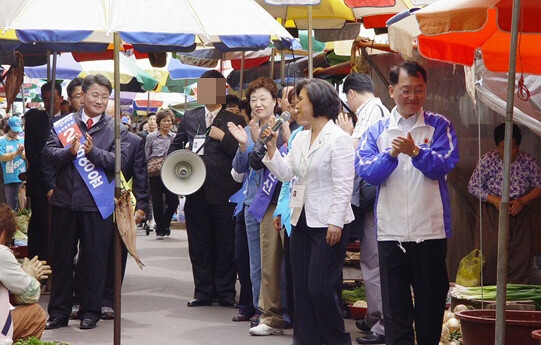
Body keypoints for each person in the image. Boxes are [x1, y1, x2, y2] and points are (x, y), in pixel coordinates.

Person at [356, 61, 459, 345]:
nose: (413, 96)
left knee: (430, 308)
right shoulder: (378, 129)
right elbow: (365, 170)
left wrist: (416, 152)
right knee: (396, 311)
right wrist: (390, 155)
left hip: (430, 232)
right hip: (391, 233)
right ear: (391, 90)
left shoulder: (439, 125)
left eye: (419, 90)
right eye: (406, 90)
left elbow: (445, 163)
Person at [262, 78, 355, 345]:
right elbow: (287, 173)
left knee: (321, 289)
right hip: (300, 220)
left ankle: (336, 340)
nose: (295, 106)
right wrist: (270, 149)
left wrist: (335, 222)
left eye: (299, 100)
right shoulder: (299, 137)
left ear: (317, 101)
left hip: (328, 224)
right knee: (300, 291)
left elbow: (343, 185)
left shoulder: (338, 139)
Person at [42, 74, 128, 330]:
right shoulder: (64, 123)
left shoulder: (116, 128)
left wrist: (94, 152)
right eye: (95, 95)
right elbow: (47, 153)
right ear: (83, 95)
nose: (100, 101)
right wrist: (68, 152)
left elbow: (119, 162)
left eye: (105, 96)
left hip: (96, 204)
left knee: (94, 260)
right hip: (65, 202)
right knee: (62, 259)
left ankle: (91, 311)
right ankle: (58, 312)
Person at [168, 70, 245, 308]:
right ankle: (202, 291)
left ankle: (224, 292)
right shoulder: (190, 117)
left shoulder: (235, 120)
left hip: (225, 192)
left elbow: (242, 154)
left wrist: (224, 138)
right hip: (196, 191)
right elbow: (174, 148)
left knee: (224, 243)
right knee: (199, 244)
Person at [227, 76, 288, 335]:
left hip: (272, 203)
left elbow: (274, 163)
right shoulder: (250, 127)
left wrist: (266, 143)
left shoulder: (284, 128)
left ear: (275, 101)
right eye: (253, 100)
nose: (258, 104)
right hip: (251, 203)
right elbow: (239, 170)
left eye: (263, 98)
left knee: (272, 261)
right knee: (254, 261)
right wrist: (243, 144)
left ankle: (274, 311)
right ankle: (258, 309)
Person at [337, 72, 388, 345]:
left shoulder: (370, 111)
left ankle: (381, 322)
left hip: (376, 200)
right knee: (373, 259)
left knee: (373, 261)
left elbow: (355, 150)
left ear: (352, 94)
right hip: (376, 199)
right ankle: (375, 317)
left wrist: (346, 135)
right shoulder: (378, 109)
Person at [468, 123, 541, 284]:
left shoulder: (528, 162)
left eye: (512, 147)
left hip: (519, 209)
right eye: (502, 148)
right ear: (496, 146)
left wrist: (523, 200)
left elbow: (538, 186)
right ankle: (490, 297)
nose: (506, 152)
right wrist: (495, 200)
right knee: (490, 253)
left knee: (520, 255)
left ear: (518, 145)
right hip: (492, 211)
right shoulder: (487, 161)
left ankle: (514, 299)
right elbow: (473, 186)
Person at [0, 204, 49, 343]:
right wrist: (29, 274)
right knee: (36, 314)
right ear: (4, 233)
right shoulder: (1, 253)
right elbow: (31, 293)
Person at [145, 108, 177, 239]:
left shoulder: (175, 137)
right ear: (159, 122)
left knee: (173, 201)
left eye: (169, 121)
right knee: (157, 202)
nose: (167, 123)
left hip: (170, 173)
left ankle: (165, 223)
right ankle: (160, 228)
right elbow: (146, 154)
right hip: (155, 173)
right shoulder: (151, 137)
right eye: (164, 121)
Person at [0, 116, 26, 210]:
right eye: (13, 130)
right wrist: (16, 153)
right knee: (9, 203)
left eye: (17, 130)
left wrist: (21, 153)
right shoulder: (2, 141)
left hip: (21, 175)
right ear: (8, 128)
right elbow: (2, 157)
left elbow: (27, 155)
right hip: (8, 177)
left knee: (20, 203)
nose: (16, 133)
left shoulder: (22, 139)